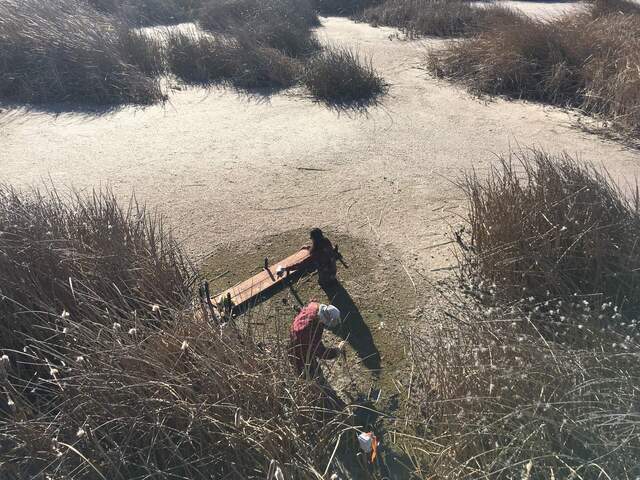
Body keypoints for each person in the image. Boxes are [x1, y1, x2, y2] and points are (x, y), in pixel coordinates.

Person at [289, 301, 345, 378]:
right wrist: (337, 351)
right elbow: (321, 352)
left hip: (295, 336)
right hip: (299, 353)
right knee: (312, 373)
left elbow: (304, 310)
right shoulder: (310, 331)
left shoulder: (314, 307)